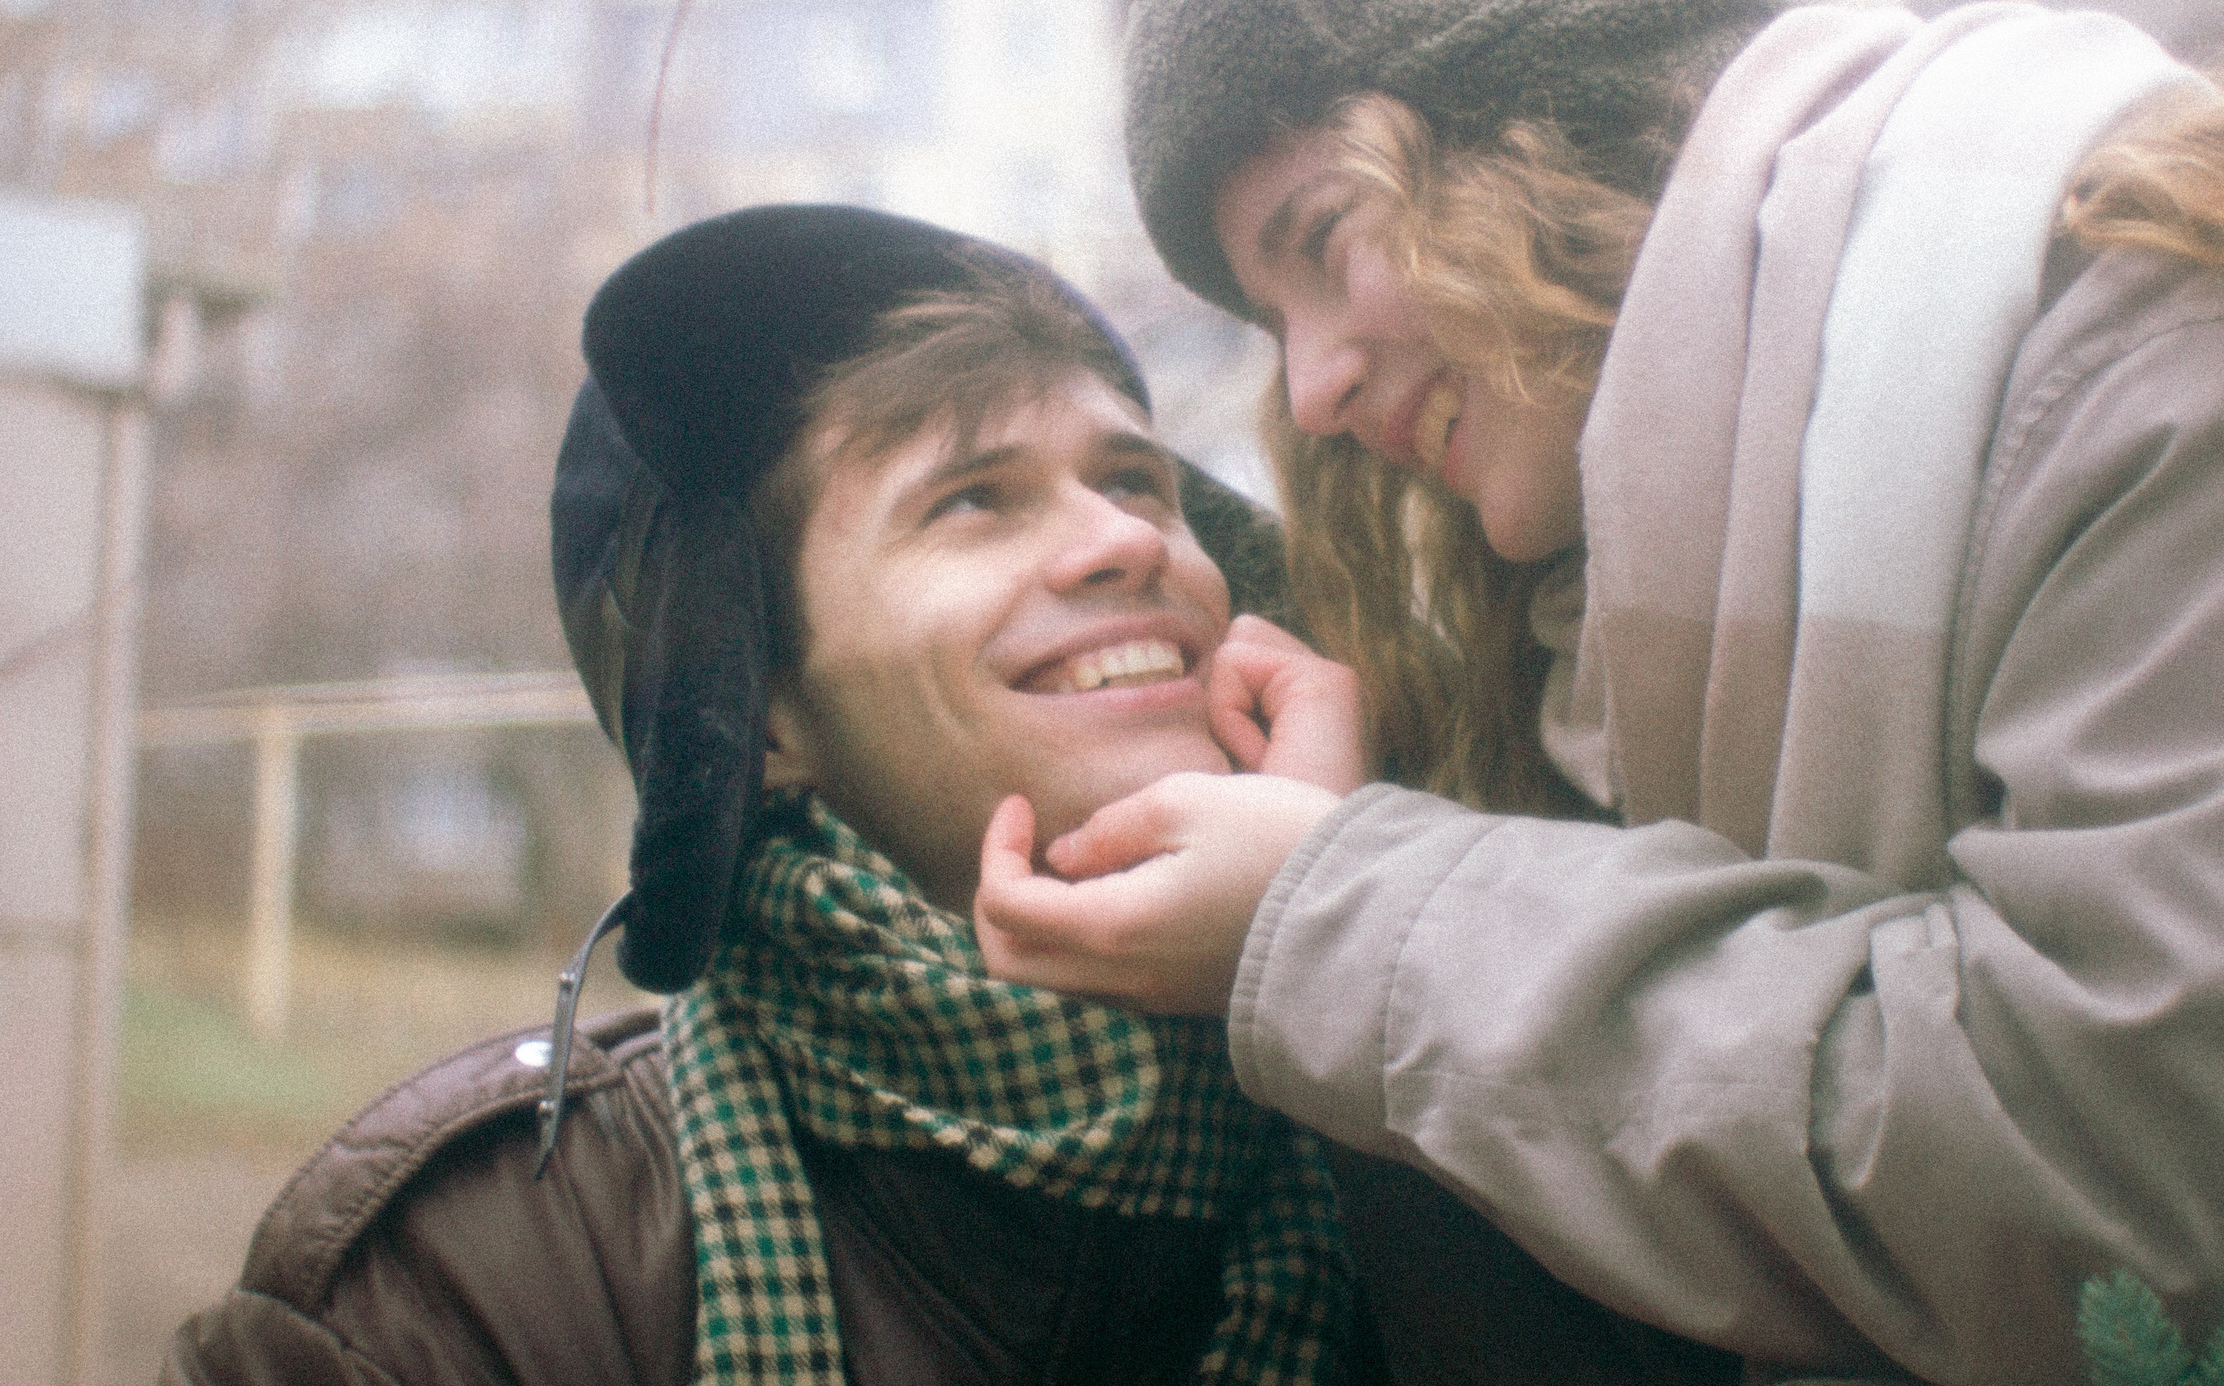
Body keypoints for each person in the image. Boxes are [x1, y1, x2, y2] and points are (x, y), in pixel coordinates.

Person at [973, 0, 2224, 1385]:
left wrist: (1341, 915)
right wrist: (1350, 837)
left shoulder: (2183, 335)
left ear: (1544, 125)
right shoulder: (1601, 605)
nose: (1310, 389)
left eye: (1321, 245)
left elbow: (2140, 1170)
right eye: (1270, 320)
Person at [165, 203, 1386, 1386]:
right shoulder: (463, 1286)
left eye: (1135, 480)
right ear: (762, 716)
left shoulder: (1435, 1120)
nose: (1132, 540)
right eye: (975, 498)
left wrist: (1348, 940)